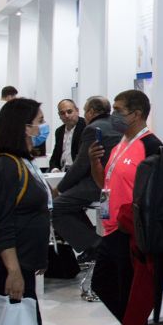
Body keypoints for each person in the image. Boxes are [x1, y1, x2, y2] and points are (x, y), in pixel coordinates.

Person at [89, 90, 163, 325]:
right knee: (103, 284)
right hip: (111, 228)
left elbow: (157, 195)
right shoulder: (119, 144)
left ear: (136, 114)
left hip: (131, 233)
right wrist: (94, 163)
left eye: (118, 110)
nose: (114, 115)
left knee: (128, 293)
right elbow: (104, 183)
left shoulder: (151, 146)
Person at [0, 98, 53, 325]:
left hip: (23, 261)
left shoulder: (23, 161)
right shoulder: (5, 166)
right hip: (7, 265)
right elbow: (2, 223)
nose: (43, 127)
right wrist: (14, 271)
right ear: (24, 127)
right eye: (39, 121)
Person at [54, 96, 121, 262]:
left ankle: (95, 245)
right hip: (118, 181)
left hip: (99, 183)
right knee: (71, 204)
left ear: (90, 112)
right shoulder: (118, 125)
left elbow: (81, 164)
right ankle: (93, 244)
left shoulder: (92, 128)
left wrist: (60, 188)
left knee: (56, 206)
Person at [49, 99, 86, 172]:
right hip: (62, 171)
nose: (66, 115)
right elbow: (55, 157)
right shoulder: (59, 131)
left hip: (78, 172)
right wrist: (54, 169)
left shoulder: (86, 127)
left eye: (69, 112)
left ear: (77, 111)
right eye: (62, 113)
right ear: (59, 115)